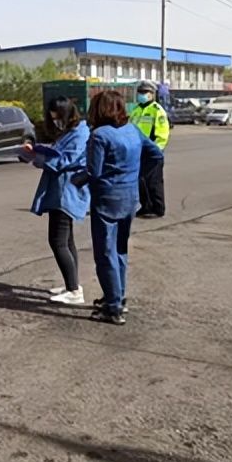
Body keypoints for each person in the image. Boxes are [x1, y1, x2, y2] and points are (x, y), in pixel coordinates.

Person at [80, 89, 163, 325]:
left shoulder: (99, 136)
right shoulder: (132, 130)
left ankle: (113, 306)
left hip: (107, 200)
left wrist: (75, 180)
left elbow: (93, 172)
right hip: (129, 197)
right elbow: (156, 154)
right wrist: (137, 175)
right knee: (120, 250)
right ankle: (117, 296)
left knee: (105, 253)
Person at [22, 97, 90, 304]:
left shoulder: (80, 133)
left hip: (66, 192)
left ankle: (74, 290)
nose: (56, 122)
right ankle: (72, 284)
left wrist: (39, 158)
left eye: (58, 118)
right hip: (61, 191)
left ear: (68, 114)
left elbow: (65, 160)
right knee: (67, 241)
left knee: (57, 241)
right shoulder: (71, 132)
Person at [129, 80, 170, 218]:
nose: (142, 94)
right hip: (137, 151)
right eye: (140, 92)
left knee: (153, 181)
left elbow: (163, 133)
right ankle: (145, 206)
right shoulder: (136, 110)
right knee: (140, 180)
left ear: (152, 94)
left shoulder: (157, 110)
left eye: (145, 92)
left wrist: (157, 150)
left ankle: (158, 207)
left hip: (152, 152)